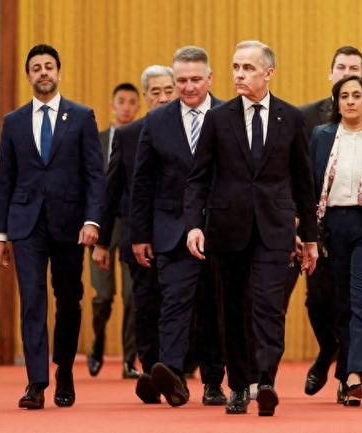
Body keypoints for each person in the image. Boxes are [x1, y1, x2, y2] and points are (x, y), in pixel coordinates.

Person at [184, 40, 318, 416]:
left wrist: (310, 238)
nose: (239, 75)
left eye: (248, 68)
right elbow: (198, 178)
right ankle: (240, 386)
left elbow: (303, 181)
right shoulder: (218, 118)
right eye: (236, 67)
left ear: (268, 73)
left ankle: (267, 381)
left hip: (275, 228)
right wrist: (194, 225)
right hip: (227, 229)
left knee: (270, 306)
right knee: (234, 310)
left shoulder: (291, 118)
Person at [0, 44, 105, 409]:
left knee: (69, 299)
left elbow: (94, 174)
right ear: (28, 75)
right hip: (26, 224)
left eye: (49, 66)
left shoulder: (82, 116)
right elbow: (4, 179)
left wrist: (92, 220)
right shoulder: (14, 121)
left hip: (70, 224)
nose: (43, 72)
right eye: (36, 67)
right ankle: (36, 382)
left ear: (58, 72)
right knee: (32, 300)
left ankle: (65, 370)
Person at [300, 46, 362, 397]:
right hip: (329, 227)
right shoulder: (320, 133)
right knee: (328, 301)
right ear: (336, 99)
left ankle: (353, 375)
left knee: (360, 299)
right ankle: (332, 353)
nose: (351, 100)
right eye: (344, 96)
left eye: (357, 95)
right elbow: (308, 182)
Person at [130, 46, 226, 408]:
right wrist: (140, 235)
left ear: (209, 78)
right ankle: (170, 374)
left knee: (215, 308)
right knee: (174, 303)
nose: (188, 87)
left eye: (195, 79)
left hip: (220, 229)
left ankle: (213, 381)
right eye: (181, 80)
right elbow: (142, 182)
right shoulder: (156, 121)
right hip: (170, 229)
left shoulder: (229, 115)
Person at [91, 65, 175, 403]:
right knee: (142, 303)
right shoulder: (128, 136)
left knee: (175, 304)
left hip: (178, 236)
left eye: (168, 91)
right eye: (155, 92)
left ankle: (174, 365)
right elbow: (110, 191)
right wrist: (101, 241)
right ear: (146, 97)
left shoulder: (190, 131)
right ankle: (149, 366)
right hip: (136, 233)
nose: (163, 98)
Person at [88, 82, 141, 380]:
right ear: (112, 105)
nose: (126, 107)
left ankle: (129, 359)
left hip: (132, 223)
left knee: (133, 295)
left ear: (138, 107)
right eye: (121, 101)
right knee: (103, 295)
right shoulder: (96, 141)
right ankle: (97, 342)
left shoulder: (142, 138)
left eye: (132, 102)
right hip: (101, 226)